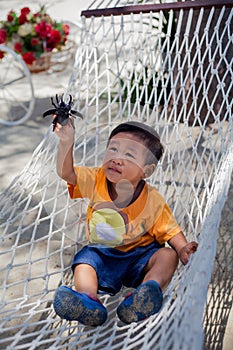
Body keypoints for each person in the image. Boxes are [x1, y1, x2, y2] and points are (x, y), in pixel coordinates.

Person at [53, 118, 198, 327]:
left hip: (141, 257)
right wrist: (66, 141)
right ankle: (88, 301)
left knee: (168, 254)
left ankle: (145, 295)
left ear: (146, 171)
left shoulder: (152, 199)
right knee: (84, 260)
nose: (117, 159)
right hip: (104, 254)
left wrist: (183, 247)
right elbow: (66, 173)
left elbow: (170, 230)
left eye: (129, 155)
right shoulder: (96, 179)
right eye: (113, 149)